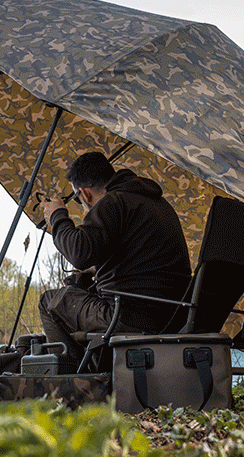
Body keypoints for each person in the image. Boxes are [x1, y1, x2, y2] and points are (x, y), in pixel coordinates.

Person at [39, 151, 192, 362]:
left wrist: (57, 215)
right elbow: (141, 256)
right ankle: (98, 368)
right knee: (77, 289)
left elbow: (78, 252)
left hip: (128, 316)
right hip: (172, 316)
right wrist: (96, 269)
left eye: (78, 201)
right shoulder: (155, 203)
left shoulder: (112, 202)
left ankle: (74, 379)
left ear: (84, 194)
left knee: (49, 301)